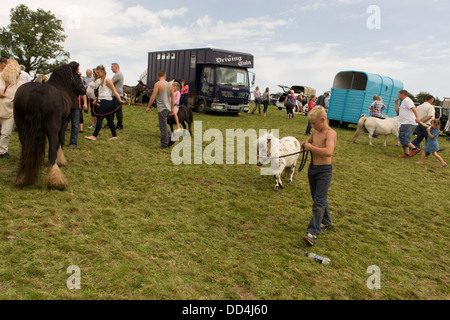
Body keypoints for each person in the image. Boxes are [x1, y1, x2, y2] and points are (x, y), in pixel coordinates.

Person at [301, 106, 337, 246]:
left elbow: (329, 152)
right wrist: (305, 144)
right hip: (313, 168)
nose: (312, 126)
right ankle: (327, 222)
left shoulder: (330, 133)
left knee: (318, 202)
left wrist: (311, 148)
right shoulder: (315, 131)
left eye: (314, 123)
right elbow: (309, 141)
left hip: (324, 171)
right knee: (318, 199)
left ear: (322, 120)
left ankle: (313, 233)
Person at [84, 65, 126, 141]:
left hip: (107, 101)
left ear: (103, 72)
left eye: (98, 72)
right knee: (109, 119)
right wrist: (96, 100)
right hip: (102, 101)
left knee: (100, 118)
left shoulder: (107, 80)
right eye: (96, 72)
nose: (97, 74)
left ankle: (94, 136)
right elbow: (98, 92)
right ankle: (114, 135)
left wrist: (120, 100)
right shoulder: (99, 81)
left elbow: (114, 91)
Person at [146, 70, 175, 149]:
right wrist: (172, 108)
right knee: (164, 125)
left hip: (162, 109)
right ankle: (171, 138)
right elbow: (173, 97)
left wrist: (148, 106)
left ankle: (164, 145)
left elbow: (153, 96)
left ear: (158, 76)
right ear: (165, 75)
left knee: (162, 127)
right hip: (168, 108)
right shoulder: (170, 85)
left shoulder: (158, 84)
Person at [0, 60, 22, 159]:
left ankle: (2, 151)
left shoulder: (19, 84)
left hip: (9, 110)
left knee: (6, 132)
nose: (19, 74)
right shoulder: (0, 78)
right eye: (18, 73)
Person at [67, 62, 88, 149]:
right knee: (67, 124)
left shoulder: (77, 78)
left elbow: (82, 91)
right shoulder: (66, 78)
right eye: (78, 68)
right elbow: (83, 90)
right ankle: (64, 141)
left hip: (75, 104)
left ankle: (73, 142)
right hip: (67, 104)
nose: (78, 70)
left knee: (75, 124)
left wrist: (85, 103)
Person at [395, 90, 421, 158]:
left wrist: (417, 117)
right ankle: (407, 153)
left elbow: (414, 108)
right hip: (407, 123)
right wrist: (396, 103)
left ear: (402, 94)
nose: (398, 96)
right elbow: (397, 111)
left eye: (399, 94)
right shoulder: (403, 102)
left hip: (407, 122)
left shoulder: (407, 100)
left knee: (402, 137)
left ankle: (414, 148)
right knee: (406, 138)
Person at [111, 63, 124, 130]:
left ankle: (119, 125)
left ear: (116, 67)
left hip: (117, 95)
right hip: (115, 95)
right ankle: (110, 123)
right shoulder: (118, 75)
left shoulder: (117, 75)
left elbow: (110, 83)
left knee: (118, 110)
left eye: (112, 67)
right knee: (112, 110)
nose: (111, 69)